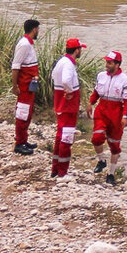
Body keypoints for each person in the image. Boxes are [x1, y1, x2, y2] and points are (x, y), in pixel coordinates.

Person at [87, 50, 127, 185]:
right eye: (106, 62)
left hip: (116, 114)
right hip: (101, 111)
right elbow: (96, 92)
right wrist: (90, 103)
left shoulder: (125, 80)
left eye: (109, 63)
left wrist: (125, 116)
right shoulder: (101, 76)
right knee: (96, 138)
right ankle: (101, 160)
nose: (106, 65)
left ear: (117, 64)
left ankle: (111, 174)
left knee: (114, 145)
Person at [50, 38, 86, 178]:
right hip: (68, 106)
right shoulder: (69, 65)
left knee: (60, 136)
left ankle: (55, 169)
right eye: (80, 49)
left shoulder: (61, 61)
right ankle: (62, 172)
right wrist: (69, 91)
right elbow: (65, 80)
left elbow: (54, 77)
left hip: (61, 104)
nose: (81, 51)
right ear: (76, 50)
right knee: (67, 137)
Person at [10, 19, 40, 156]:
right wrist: (14, 86)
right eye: (38, 29)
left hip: (29, 86)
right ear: (34, 29)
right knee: (22, 113)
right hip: (24, 86)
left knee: (27, 113)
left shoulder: (29, 44)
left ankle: (24, 139)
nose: (38, 31)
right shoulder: (24, 44)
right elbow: (15, 66)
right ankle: (19, 144)